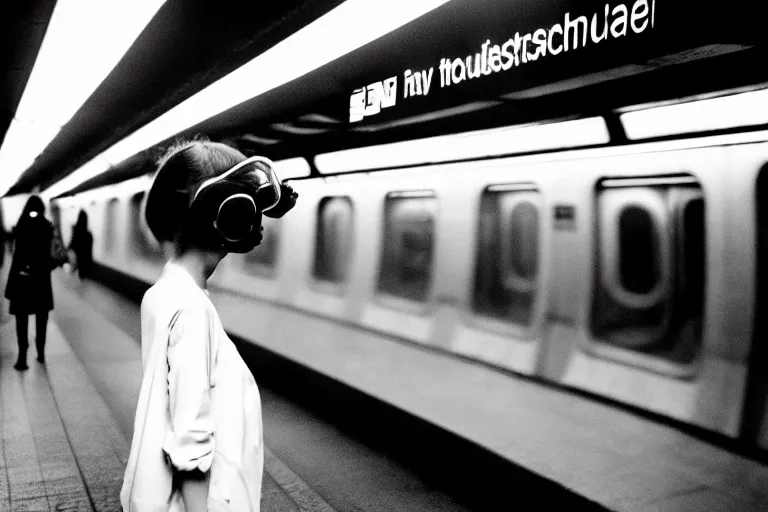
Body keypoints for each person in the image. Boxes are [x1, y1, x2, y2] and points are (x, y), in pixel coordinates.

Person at [120, 139, 298, 512]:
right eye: (247, 209)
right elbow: (191, 442)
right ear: (222, 213)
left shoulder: (163, 293)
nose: (258, 224)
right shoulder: (191, 310)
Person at [4, 195, 58, 369]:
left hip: (22, 279)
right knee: (41, 318)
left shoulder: (21, 225)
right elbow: (51, 257)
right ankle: (41, 353)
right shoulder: (47, 226)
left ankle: (22, 357)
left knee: (22, 319)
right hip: (41, 281)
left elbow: (17, 254)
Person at [69, 210, 94, 278]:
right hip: (88, 263)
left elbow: (71, 246)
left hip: (78, 263)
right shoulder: (89, 235)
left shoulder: (76, 233)